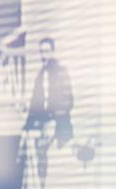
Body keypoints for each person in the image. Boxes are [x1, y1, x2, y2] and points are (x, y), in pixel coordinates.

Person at [23, 36, 74, 180]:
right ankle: (41, 186)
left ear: (52, 52)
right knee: (37, 151)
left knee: (48, 152)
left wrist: (54, 118)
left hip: (58, 122)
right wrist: (27, 125)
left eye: (46, 51)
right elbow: (35, 104)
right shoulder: (40, 76)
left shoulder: (61, 72)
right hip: (44, 122)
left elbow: (69, 101)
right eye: (41, 52)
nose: (43, 55)